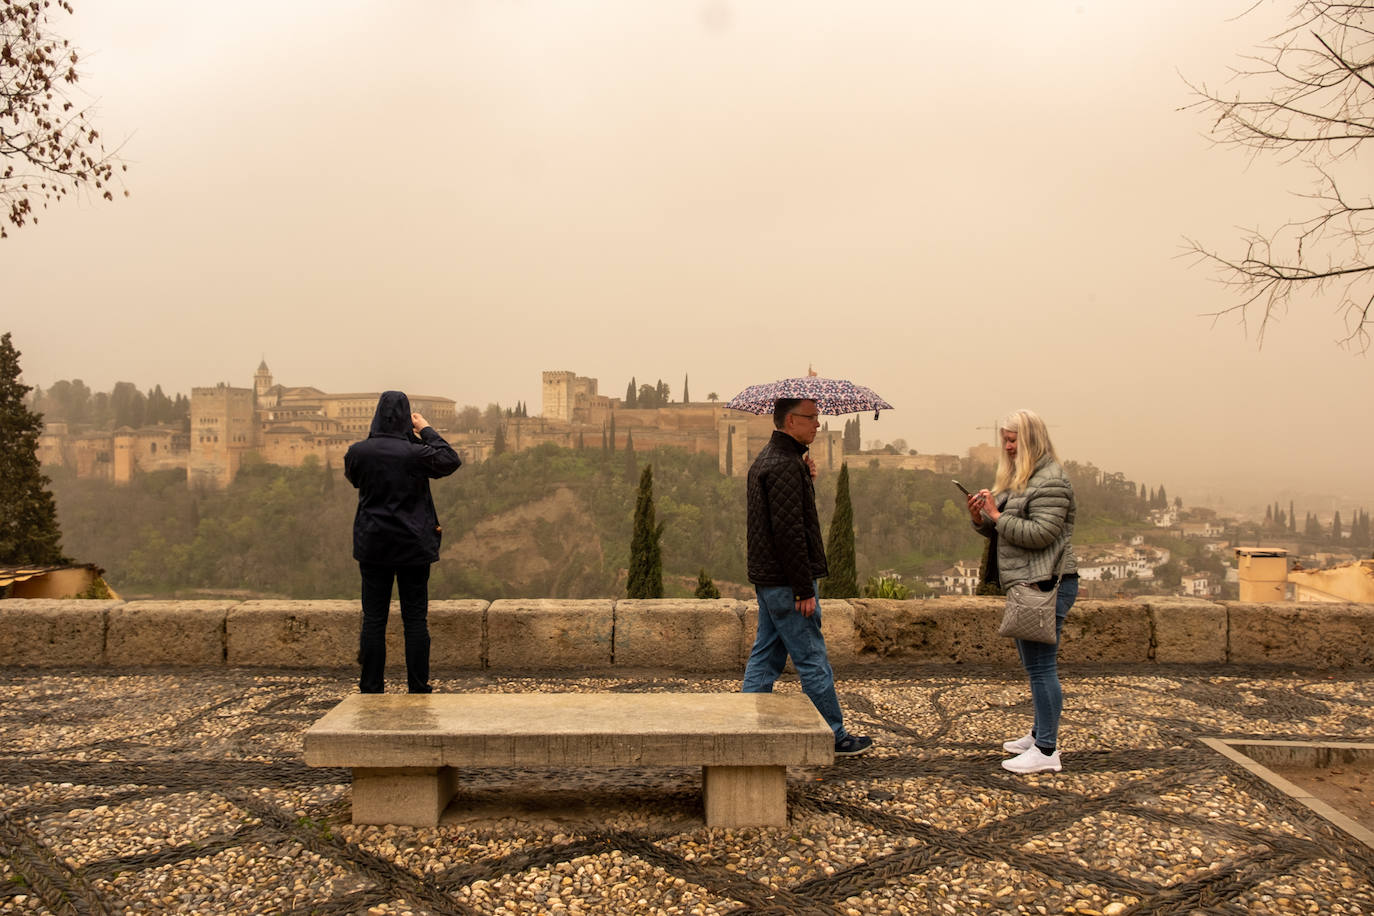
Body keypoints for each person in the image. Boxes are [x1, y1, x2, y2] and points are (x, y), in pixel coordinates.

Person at [741, 397, 873, 757]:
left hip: (770, 580)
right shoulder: (784, 466)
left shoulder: (774, 460)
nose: (818, 424)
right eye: (811, 418)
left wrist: (806, 479)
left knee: (765, 656)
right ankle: (834, 734)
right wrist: (803, 589)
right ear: (789, 421)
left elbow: (780, 519)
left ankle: (744, 727)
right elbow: (790, 534)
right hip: (788, 583)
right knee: (812, 658)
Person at [966, 408, 1078, 774]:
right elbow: (1006, 531)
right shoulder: (1023, 478)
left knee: (1043, 668)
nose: (1008, 447)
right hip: (1027, 583)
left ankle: (1047, 751)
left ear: (1031, 439)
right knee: (1035, 667)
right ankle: (1039, 734)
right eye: (1005, 441)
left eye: (1013, 440)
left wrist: (998, 517)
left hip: (1045, 583)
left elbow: (1040, 534)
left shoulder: (1052, 482)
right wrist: (981, 517)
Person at [344, 391, 462, 694]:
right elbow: (450, 460)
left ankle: (371, 686)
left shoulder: (359, 452)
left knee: (373, 619)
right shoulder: (414, 453)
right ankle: (418, 686)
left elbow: (355, 480)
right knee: (414, 619)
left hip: (373, 543)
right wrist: (425, 429)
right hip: (413, 544)